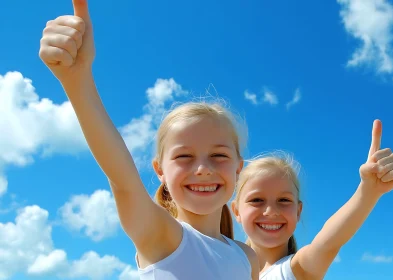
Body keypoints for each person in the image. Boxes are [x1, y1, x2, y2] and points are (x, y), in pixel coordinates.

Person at [38, 0, 259, 279]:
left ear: (238, 168)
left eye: (218, 155)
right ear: (160, 171)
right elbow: (123, 182)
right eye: (184, 156)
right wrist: (76, 80)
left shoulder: (247, 257)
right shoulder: (162, 236)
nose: (203, 168)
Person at [231, 120, 393, 280]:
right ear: (236, 211)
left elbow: (328, 243)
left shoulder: (296, 270)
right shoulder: (223, 269)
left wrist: (368, 191)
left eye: (284, 200)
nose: (271, 211)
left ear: (298, 211)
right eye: (256, 200)